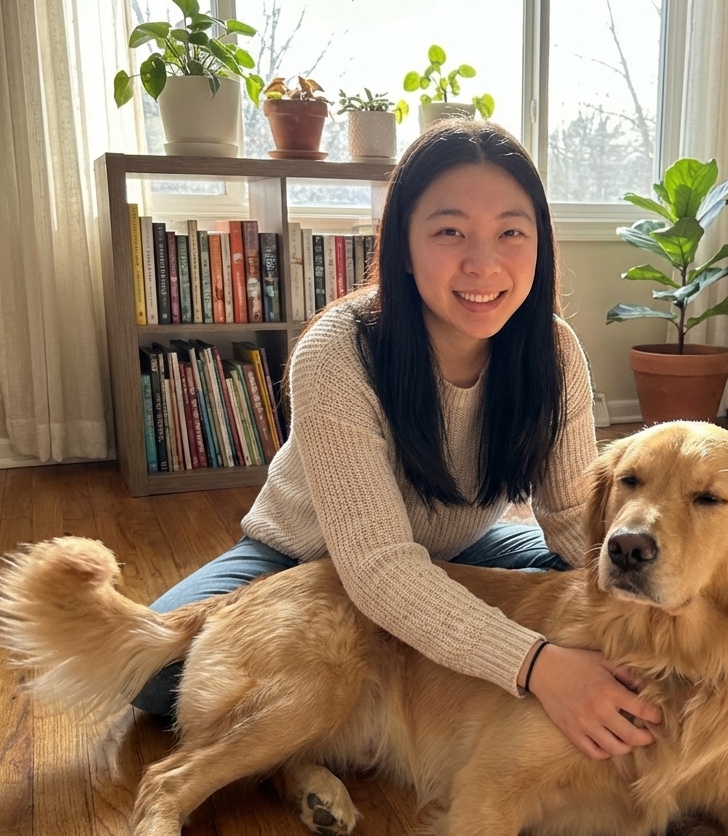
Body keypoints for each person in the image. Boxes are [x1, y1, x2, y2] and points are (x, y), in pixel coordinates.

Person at [133, 118, 663, 760]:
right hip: (305, 556)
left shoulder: (553, 350)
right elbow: (377, 563)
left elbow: (571, 515)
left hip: (457, 547)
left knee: (604, 580)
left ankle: (414, 663)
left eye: (510, 232)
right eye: (449, 231)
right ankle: (348, 705)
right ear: (404, 248)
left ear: (539, 245)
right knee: (157, 674)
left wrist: (663, 593)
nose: (482, 262)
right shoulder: (338, 350)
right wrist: (535, 664)